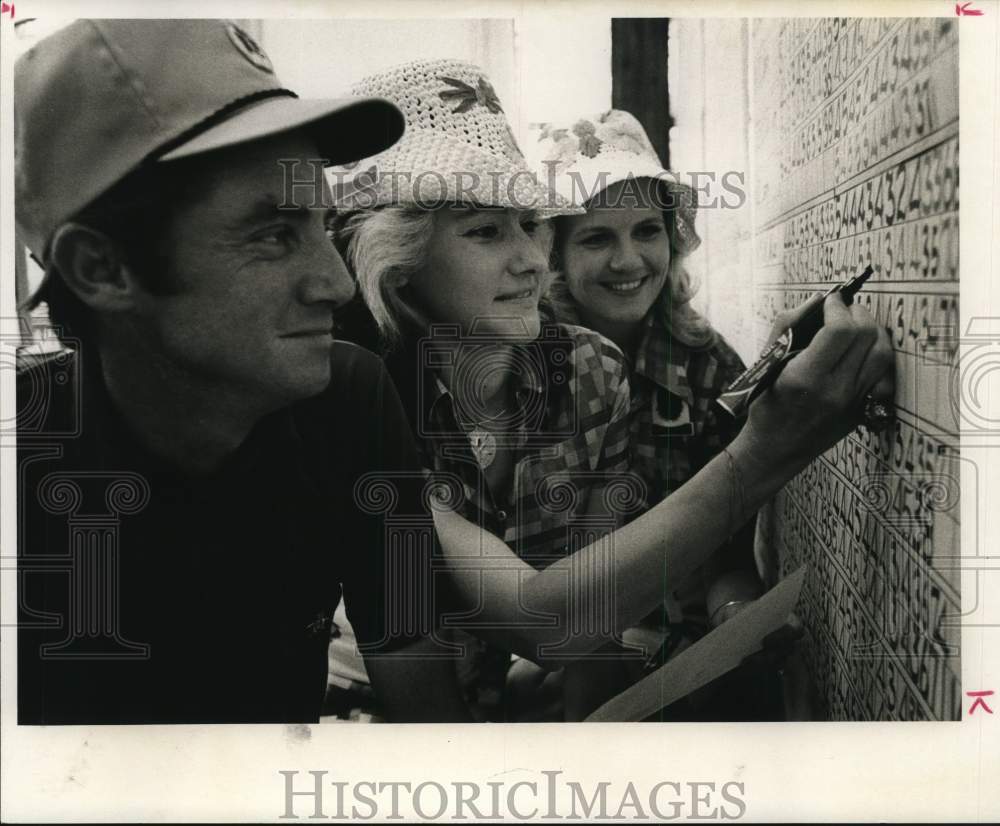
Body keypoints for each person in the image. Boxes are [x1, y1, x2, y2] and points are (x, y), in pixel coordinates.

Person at [14, 19, 470, 724]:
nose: (337, 284)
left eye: (322, 225)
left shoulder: (351, 401)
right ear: (100, 268)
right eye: (273, 235)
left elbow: (421, 687)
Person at [330, 59, 643, 721]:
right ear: (397, 266)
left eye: (531, 223)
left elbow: (595, 608)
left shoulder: (594, 373)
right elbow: (541, 623)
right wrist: (760, 455)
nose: (531, 259)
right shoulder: (354, 400)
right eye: (483, 231)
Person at [530, 109, 784, 718]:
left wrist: (736, 622)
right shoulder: (515, 366)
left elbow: (726, 559)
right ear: (552, 253)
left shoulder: (708, 367)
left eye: (646, 230)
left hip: (673, 678)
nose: (629, 261)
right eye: (596, 237)